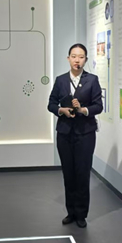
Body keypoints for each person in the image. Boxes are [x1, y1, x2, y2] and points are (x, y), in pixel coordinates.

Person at [47, 43, 103, 228]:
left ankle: (81, 214)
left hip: (85, 134)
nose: (77, 60)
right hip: (64, 133)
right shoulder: (60, 80)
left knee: (82, 173)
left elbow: (98, 106)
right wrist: (61, 110)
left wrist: (82, 109)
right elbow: (51, 103)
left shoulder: (92, 80)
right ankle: (70, 212)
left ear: (85, 59)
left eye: (80, 57)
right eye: (73, 56)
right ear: (68, 58)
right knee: (68, 174)